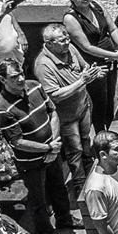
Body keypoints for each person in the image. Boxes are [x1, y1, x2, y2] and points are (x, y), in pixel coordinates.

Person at [0, 58, 73, 234]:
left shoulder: (35, 86)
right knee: (38, 202)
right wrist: (47, 148)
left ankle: (65, 220)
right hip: (30, 163)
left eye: (21, 73)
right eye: (14, 77)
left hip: (52, 152)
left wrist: (54, 146)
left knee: (59, 188)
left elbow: (53, 113)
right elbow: (17, 142)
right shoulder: (2, 108)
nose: (20, 79)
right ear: (2, 80)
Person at [34, 23, 104, 200]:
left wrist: (93, 72)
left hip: (83, 106)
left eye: (67, 38)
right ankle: (81, 187)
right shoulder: (43, 65)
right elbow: (55, 95)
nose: (67, 42)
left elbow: (84, 67)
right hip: (67, 117)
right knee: (75, 151)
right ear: (49, 43)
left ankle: (92, 171)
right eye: (61, 40)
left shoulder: (70, 49)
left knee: (86, 140)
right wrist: (81, 81)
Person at [62, 0, 118, 134]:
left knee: (110, 97)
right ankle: (100, 134)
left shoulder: (97, 6)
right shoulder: (71, 18)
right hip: (94, 64)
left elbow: (112, 28)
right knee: (99, 102)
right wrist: (114, 55)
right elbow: (86, 47)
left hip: (111, 60)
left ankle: (108, 130)